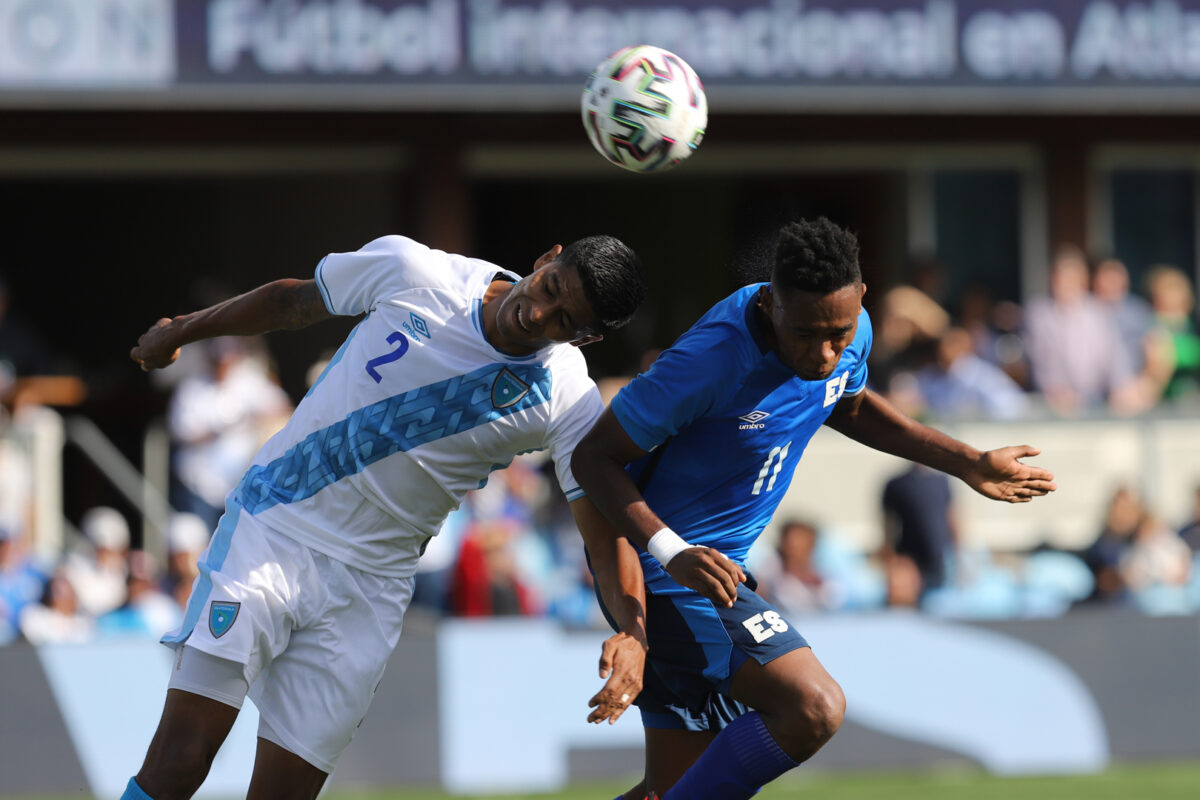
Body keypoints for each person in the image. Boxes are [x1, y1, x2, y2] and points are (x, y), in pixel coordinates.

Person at [122, 233, 660, 800]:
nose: (537, 313)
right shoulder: (418, 272)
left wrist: (634, 632)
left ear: (586, 337)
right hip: (274, 526)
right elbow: (293, 302)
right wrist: (182, 329)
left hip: (370, 588)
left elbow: (601, 535)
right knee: (181, 760)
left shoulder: (566, 398)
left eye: (564, 320)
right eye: (550, 288)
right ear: (546, 259)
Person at [570, 217, 1057, 800]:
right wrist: (671, 553)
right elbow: (593, 458)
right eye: (805, 334)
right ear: (772, 303)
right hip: (666, 572)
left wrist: (966, 461)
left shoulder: (848, 332)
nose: (824, 352)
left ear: (861, 302)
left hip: (716, 572)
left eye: (840, 333)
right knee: (813, 706)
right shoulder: (711, 361)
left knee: (668, 790)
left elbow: (846, 403)